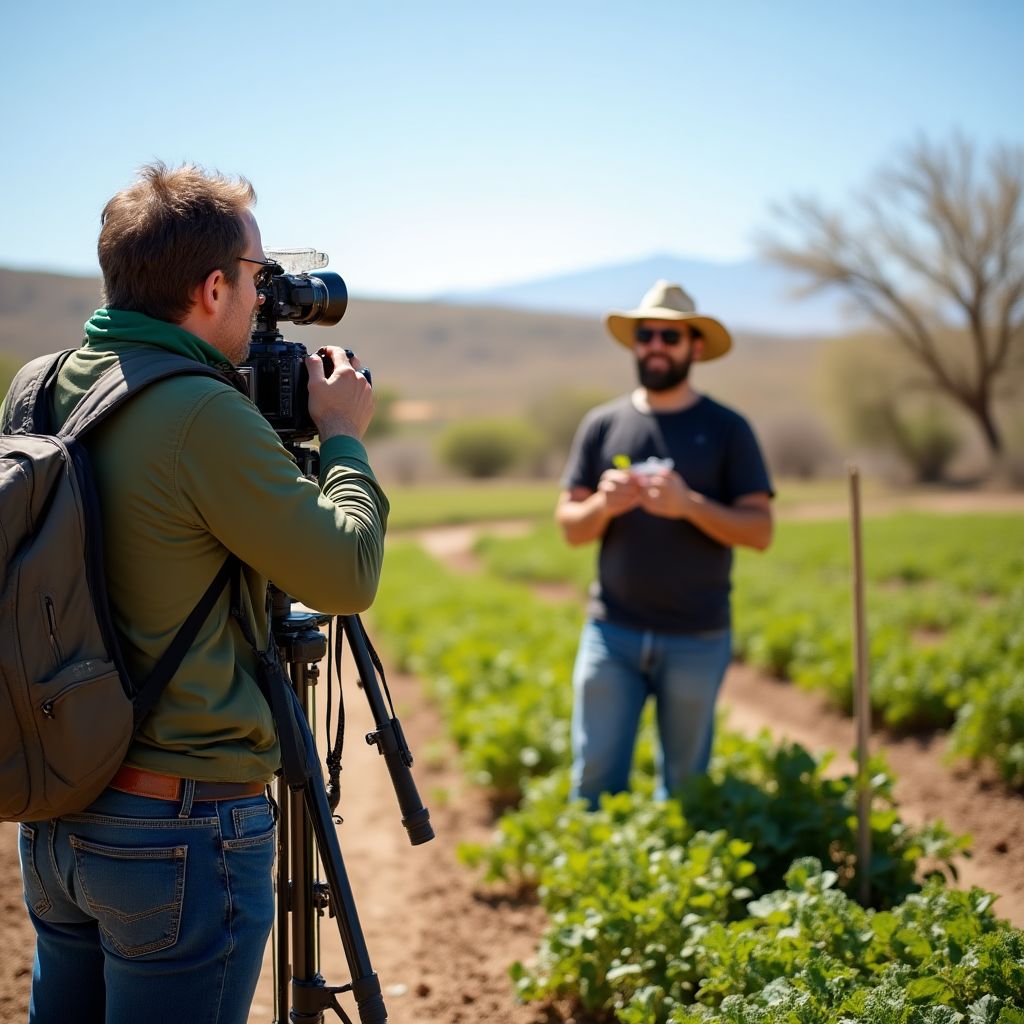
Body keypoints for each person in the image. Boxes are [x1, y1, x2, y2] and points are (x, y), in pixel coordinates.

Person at [5, 162, 389, 1024]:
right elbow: (346, 573)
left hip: (60, 810)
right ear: (212, 286)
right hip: (177, 825)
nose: (266, 298)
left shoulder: (38, 385)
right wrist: (343, 441)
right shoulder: (202, 414)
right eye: (258, 279)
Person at [556, 279, 773, 809]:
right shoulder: (603, 424)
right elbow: (569, 525)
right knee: (595, 779)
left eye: (669, 337)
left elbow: (760, 532)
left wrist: (689, 506)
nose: (655, 345)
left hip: (697, 637)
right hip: (612, 632)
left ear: (695, 347)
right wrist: (603, 506)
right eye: (646, 334)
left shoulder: (728, 429)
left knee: (686, 786)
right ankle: (595, 875)